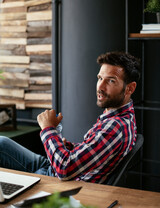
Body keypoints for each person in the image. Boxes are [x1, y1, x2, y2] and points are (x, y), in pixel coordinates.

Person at [0, 51, 140, 184]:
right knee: (2, 143)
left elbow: (65, 169)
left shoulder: (115, 127)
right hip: (55, 169)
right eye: (100, 78)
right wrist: (70, 147)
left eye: (111, 81)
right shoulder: (119, 116)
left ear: (130, 88)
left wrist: (48, 129)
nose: (100, 87)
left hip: (57, 182)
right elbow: (95, 154)